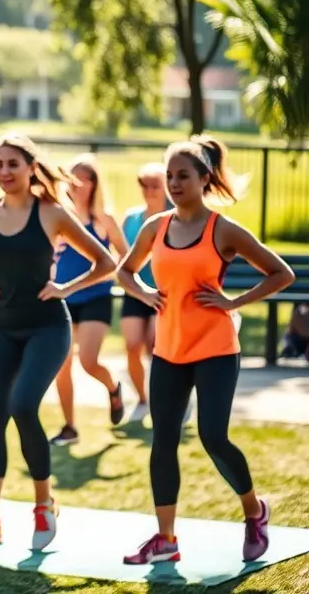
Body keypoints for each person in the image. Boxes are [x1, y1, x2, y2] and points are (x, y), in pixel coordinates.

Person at [118, 135, 294, 565]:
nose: (174, 183)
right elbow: (125, 273)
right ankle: (166, 539)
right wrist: (145, 294)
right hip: (169, 351)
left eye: (183, 176)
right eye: (170, 176)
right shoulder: (154, 227)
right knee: (163, 441)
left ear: (204, 179)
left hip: (215, 348)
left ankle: (255, 511)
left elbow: (280, 273)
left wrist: (233, 303)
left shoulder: (223, 229)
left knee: (214, 437)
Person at [0, 133, 116, 551]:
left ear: (30, 167)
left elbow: (105, 262)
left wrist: (65, 287)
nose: (3, 172)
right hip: (1, 327)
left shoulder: (52, 213)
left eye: (12, 164)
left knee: (22, 405)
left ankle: (43, 504)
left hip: (48, 327)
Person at [50, 153, 128, 446]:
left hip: (96, 297)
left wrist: (111, 273)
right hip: (63, 297)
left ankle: (113, 387)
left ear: (95, 183)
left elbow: (125, 254)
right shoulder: (57, 216)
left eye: (86, 178)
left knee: (88, 361)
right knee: (62, 364)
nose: (79, 184)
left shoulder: (103, 218)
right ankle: (69, 427)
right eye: (74, 177)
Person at [120, 163, 172, 421]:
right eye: (145, 185)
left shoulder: (173, 217)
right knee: (132, 346)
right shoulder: (131, 218)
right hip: (135, 291)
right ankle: (142, 399)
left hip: (164, 293)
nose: (149, 191)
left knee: (156, 345)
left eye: (155, 185)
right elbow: (122, 255)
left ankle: (169, 399)